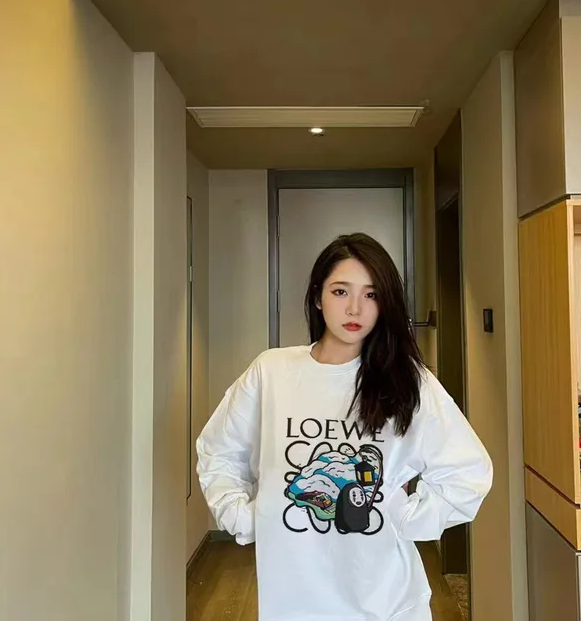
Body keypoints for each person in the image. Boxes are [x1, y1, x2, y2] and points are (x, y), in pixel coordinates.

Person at [196, 232, 493, 621]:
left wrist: (404, 518)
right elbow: (219, 451)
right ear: (318, 297)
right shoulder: (272, 371)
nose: (355, 308)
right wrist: (245, 516)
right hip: (291, 599)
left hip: (386, 601)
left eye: (371, 294)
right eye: (340, 292)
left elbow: (468, 473)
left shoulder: (408, 380)